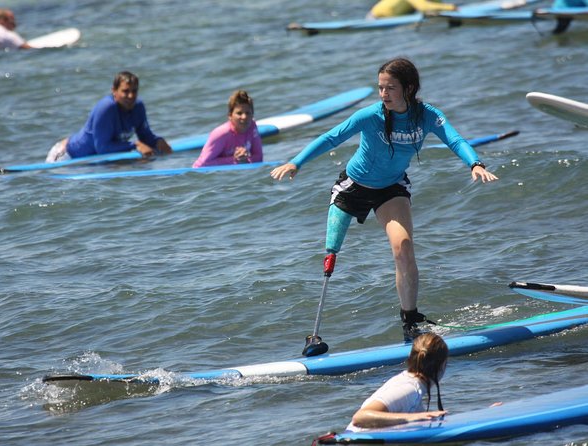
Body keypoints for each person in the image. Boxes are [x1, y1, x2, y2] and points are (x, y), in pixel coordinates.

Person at [270, 58, 498, 340]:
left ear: (409, 88)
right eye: (380, 87)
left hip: (391, 188)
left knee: (403, 246)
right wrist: (297, 162)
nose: (384, 94)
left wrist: (475, 164)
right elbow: (332, 137)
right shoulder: (370, 116)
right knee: (331, 254)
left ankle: (410, 320)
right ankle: (314, 334)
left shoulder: (427, 116)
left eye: (390, 88)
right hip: (353, 186)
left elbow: (455, 139)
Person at [45, 71, 172, 162]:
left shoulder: (138, 107)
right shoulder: (106, 108)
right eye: (125, 91)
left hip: (91, 162)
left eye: (134, 91)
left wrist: (157, 141)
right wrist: (135, 146)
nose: (131, 96)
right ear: (114, 91)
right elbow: (102, 148)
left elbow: (145, 136)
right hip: (66, 156)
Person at [346, 332, 448, 431]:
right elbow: (360, 417)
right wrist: (412, 417)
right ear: (442, 365)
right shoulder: (410, 389)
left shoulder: (410, 382)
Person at [192, 90, 263, 168]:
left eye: (248, 113)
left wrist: (245, 160)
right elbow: (202, 165)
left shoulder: (252, 126)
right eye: (239, 113)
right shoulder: (221, 134)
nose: (244, 117)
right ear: (230, 115)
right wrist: (235, 160)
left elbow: (259, 157)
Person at [368, 0, 456, 19]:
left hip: (381, 14)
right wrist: (450, 7)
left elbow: (435, 3)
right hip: (375, 17)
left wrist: (444, 7)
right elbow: (424, 7)